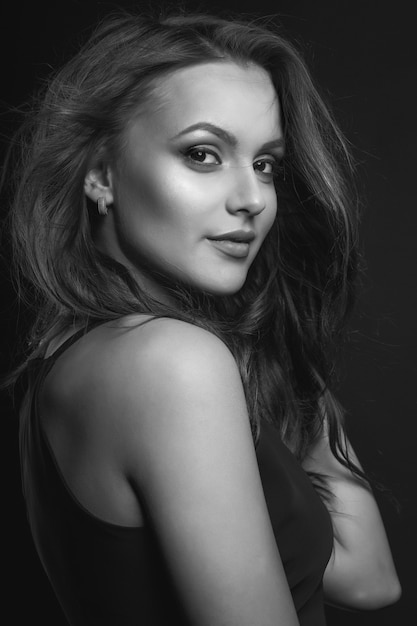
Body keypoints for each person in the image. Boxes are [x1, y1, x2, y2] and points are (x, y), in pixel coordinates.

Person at [3, 8, 401, 626]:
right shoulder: (170, 364)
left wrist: (286, 354)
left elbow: (369, 578)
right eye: (203, 154)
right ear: (101, 173)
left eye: (265, 163)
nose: (251, 199)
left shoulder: (83, 359)